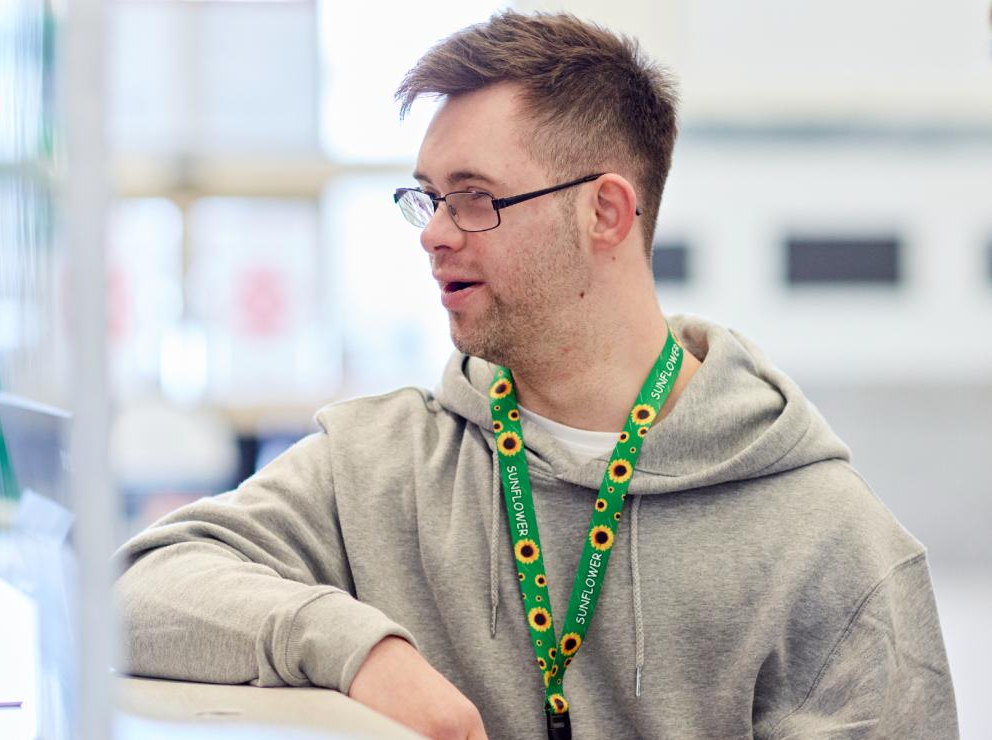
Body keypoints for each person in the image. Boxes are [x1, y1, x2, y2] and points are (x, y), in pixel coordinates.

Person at [116, 11, 958, 739]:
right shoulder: (380, 462)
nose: (434, 234)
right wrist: (358, 651)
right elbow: (136, 591)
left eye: (474, 196)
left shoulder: (830, 544)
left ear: (606, 212)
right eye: (427, 197)